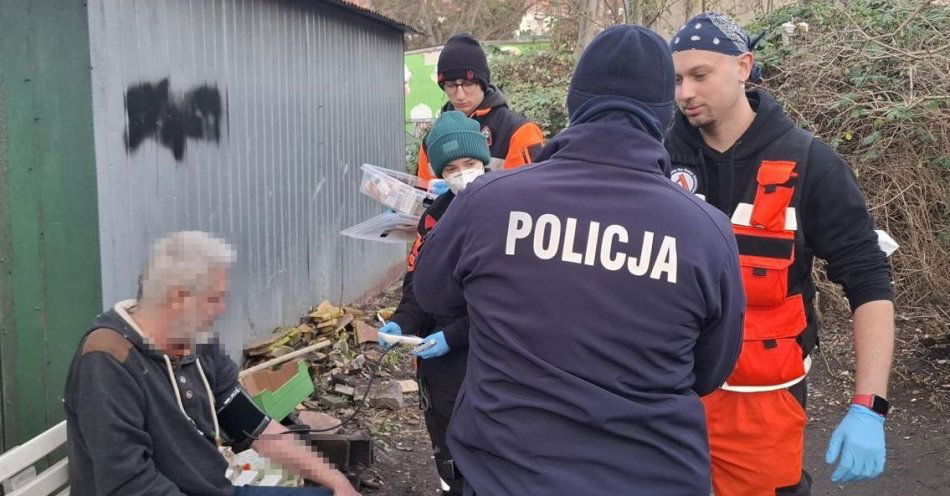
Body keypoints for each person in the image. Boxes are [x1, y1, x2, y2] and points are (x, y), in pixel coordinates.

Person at [411, 25, 745, 495]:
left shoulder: (487, 201)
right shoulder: (707, 231)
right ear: (663, 116)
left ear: (573, 103)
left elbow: (432, 293)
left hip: (506, 475)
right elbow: (711, 369)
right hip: (653, 476)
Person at [666, 12, 895, 495]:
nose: (684, 92)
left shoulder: (810, 163)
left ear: (744, 66)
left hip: (762, 405)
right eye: (677, 78)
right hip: (663, 400)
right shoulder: (656, 158)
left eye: (699, 75)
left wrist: (867, 406)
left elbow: (869, 282)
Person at [64, 231, 361, 496]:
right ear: (178, 298)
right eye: (215, 298)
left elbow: (253, 426)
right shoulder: (108, 360)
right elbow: (130, 485)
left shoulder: (197, 342)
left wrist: (334, 479)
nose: (222, 310)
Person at [378, 110, 492, 495]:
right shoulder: (434, 220)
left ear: (485, 160)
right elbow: (418, 287)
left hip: (488, 361)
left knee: (487, 455)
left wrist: (456, 335)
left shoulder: (505, 215)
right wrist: (402, 322)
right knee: (446, 452)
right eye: (452, 168)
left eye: (470, 164)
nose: (462, 174)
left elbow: (507, 302)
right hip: (437, 367)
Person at [415, 33, 545, 186]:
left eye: (468, 84)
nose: (460, 95)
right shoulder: (432, 140)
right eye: (451, 86)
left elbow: (532, 195)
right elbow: (424, 199)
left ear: (482, 83)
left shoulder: (519, 131)